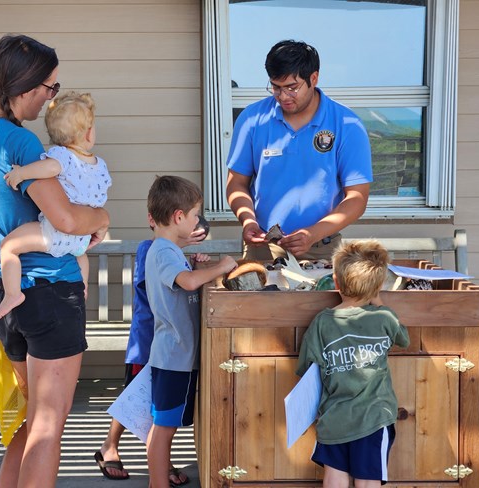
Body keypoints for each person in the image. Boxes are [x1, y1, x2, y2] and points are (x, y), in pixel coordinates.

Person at [0, 34, 109, 488]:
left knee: (27, 421)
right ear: (25, 87)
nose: (50, 98)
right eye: (50, 87)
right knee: (49, 425)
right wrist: (102, 215)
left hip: (7, 296)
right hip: (50, 295)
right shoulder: (21, 144)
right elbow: (64, 217)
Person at [225, 39, 373, 261]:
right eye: (276, 87)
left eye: (292, 88)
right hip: (263, 246)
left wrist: (313, 234)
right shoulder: (251, 119)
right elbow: (236, 183)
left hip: (322, 247)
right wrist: (248, 220)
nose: (283, 96)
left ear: (313, 78)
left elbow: (357, 197)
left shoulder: (347, 124)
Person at [95, 215, 208, 486]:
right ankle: (111, 446)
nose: (191, 239)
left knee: (152, 402)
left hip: (161, 340)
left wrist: (190, 263)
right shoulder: (153, 249)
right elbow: (170, 285)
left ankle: (157, 461)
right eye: (193, 233)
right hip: (147, 340)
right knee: (139, 396)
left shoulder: (171, 252)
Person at [144, 175, 237, 488]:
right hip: (175, 358)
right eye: (196, 215)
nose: (199, 221)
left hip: (177, 357)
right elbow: (187, 283)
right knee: (164, 427)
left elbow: (186, 284)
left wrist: (198, 268)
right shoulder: (164, 252)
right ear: (178, 217)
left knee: (165, 425)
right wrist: (221, 267)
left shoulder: (170, 252)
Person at [296, 239, 410, 487]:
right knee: (368, 480)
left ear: (336, 282)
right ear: (377, 286)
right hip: (374, 418)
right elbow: (404, 338)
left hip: (334, 417)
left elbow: (306, 367)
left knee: (334, 476)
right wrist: (378, 300)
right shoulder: (384, 317)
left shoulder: (322, 322)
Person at [0, 90, 111, 318]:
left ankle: (12, 294)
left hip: (54, 233)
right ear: (88, 134)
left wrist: (21, 173)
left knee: (9, 246)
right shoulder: (99, 165)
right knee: (81, 256)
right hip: (81, 238)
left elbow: (48, 168)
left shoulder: (61, 156)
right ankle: (83, 285)